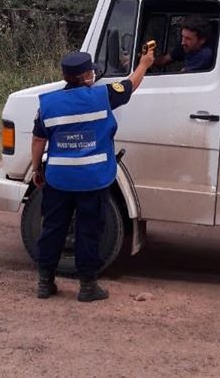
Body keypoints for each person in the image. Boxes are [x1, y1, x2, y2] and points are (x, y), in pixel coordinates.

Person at [31, 48, 155, 302]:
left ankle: (45, 283)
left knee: (53, 228)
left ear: (65, 75)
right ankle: (88, 286)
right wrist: (144, 64)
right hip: (93, 179)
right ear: (87, 76)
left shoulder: (48, 103)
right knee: (89, 231)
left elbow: (38, 140)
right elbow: (130, 85)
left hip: (59, 180)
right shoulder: (103, 96)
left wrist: (37, 169)